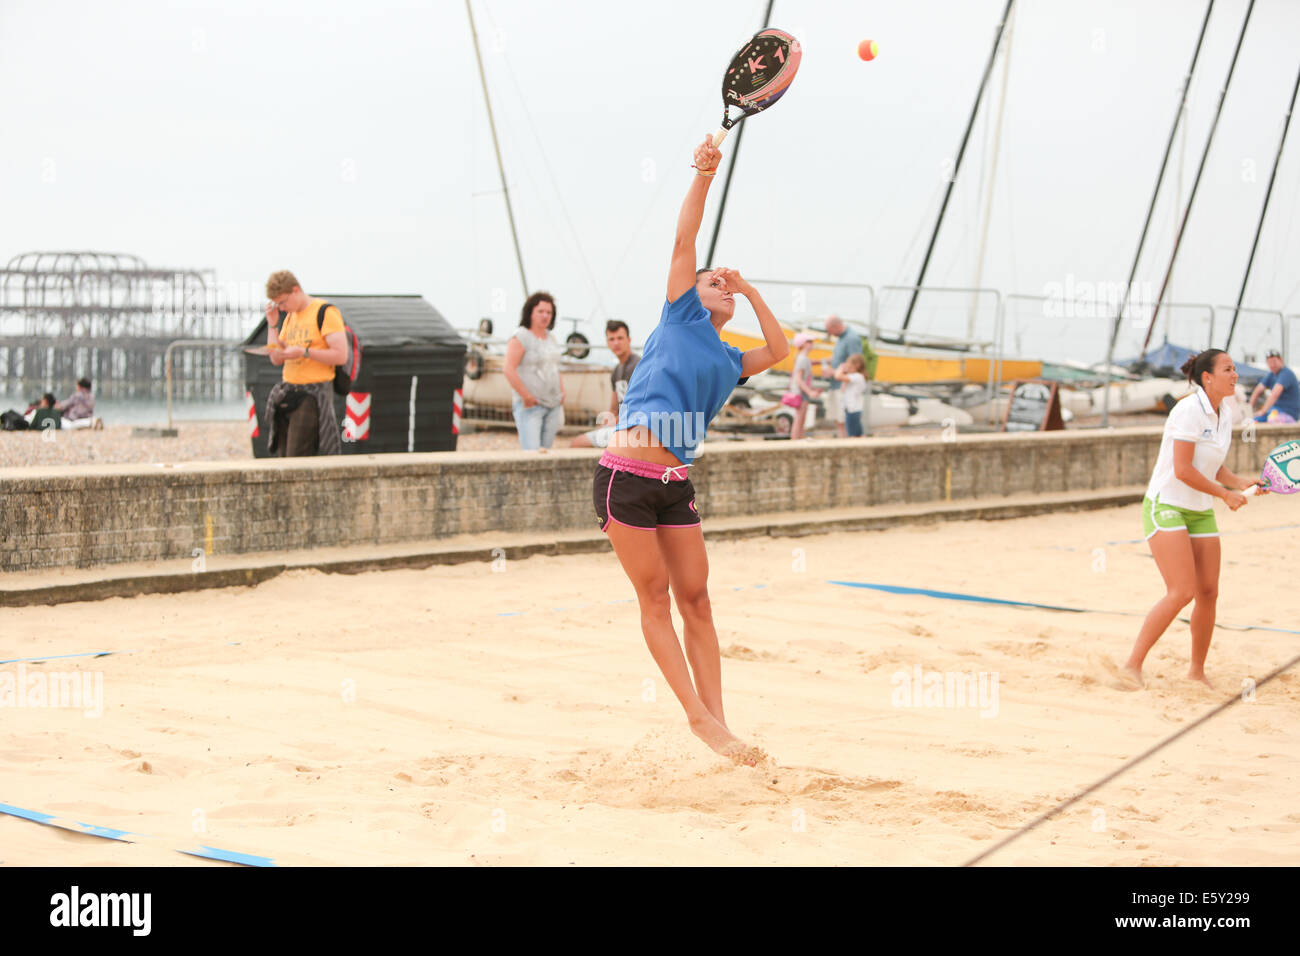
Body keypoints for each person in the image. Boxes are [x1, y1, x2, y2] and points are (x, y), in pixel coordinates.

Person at [594, 134, 789, 764]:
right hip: (625, 475)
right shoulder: (679, 315)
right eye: (715, 282)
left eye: (725, 285)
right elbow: (686, 238)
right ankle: (697, 718)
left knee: (697, 600)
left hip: (675, 481)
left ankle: (722, 726)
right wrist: (704, 174)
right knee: (654, 599)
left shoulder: (731, 358)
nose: (720, 285)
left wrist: (752, 291)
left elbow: (779, 351)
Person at [1120, 349, 1264, 690]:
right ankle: (1132, 666)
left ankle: (1196, 671)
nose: (1235, 375)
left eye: (1234, 369)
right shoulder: (1188, 409)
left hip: (1198, 510)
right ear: (1207, 377)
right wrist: (1224, 495)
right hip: (1166, 503)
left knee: (1209, 592)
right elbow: (1183, 470)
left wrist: (1240, 483)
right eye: (1228, 369)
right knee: (1181, 591)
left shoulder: (1225, 411)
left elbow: (1212, 464)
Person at [262, 270, 347, 457]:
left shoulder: (325, 312)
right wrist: (272, 325)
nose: (282, 308)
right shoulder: (290, 317)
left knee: (296, 458)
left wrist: (305, 352)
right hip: (288, 391)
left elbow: (341, 355)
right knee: (282, 457)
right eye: (278, 304)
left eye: (283, 302)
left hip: (312, 395)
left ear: (295, 290)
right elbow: (276, 358)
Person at [504, 291, 566, 450]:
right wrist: (526, 396)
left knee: (547, 452)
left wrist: (562, 391)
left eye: (549, 312)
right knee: (532, 452)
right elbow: (508, 369)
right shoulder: (521, 336)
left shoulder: (551, 338)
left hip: (553, 404)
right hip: (531, 406)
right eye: (541, 311)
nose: (545, 316)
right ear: (530, 312)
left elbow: (555, 367)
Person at [571, 320, 639, 448]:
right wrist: (606, 423)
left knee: (577, 443)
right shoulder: (616, 371)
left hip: (633, 427)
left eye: (620, 338)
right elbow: (613, 408)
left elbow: (639, 407)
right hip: (620, 426)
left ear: (629, 340)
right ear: (607, 343)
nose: (616, 343)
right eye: (612, 339)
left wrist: (616, 422)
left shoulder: (638, 366)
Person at [819, 316, 862, 438]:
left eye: (829, 330)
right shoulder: (841, 338)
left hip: (843, 387)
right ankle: (842, 442)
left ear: (836, 326)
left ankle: (846, 445)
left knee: (843, 420)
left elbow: (856, 363)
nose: (828, 334)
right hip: (835, 385)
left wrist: (833, 373)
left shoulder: (851, 338)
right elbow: (839, 358)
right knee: (838, 420)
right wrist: (818, 361)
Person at [784, 332, 821, 440]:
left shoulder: (801, 358)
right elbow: (799, 379)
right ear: (803, 344)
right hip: (801, 393)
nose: (812, 344)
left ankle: (797, 440)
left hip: (800, 392)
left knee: (800, 418)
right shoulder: (803, 359)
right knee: (800, 419)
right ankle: (796, 441)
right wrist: (810, 392)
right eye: (809, 342)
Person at [1247, 349, 1299, 424]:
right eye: (1269, 362)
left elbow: (1275, 394)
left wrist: (1262, 411)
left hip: (1289, 413)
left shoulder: (1286, 373)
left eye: (1274, 362)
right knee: (1252, 421)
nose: (1272, 365)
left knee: (1272, 419)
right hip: (1274, 411)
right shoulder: (1271, 375)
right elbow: (1257, 390)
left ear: (1281, 360)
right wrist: (1249, 409)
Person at [832, 354, 869, 437]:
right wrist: (846, 371)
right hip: (851, 409)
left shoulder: (857, 377)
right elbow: (843, 389)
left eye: (849, 366)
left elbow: (837, 376)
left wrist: (840, 368)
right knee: (858, 433)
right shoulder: (855, 377)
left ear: (857, 366)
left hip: (853, 409)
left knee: (852, 435)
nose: (847, 367)